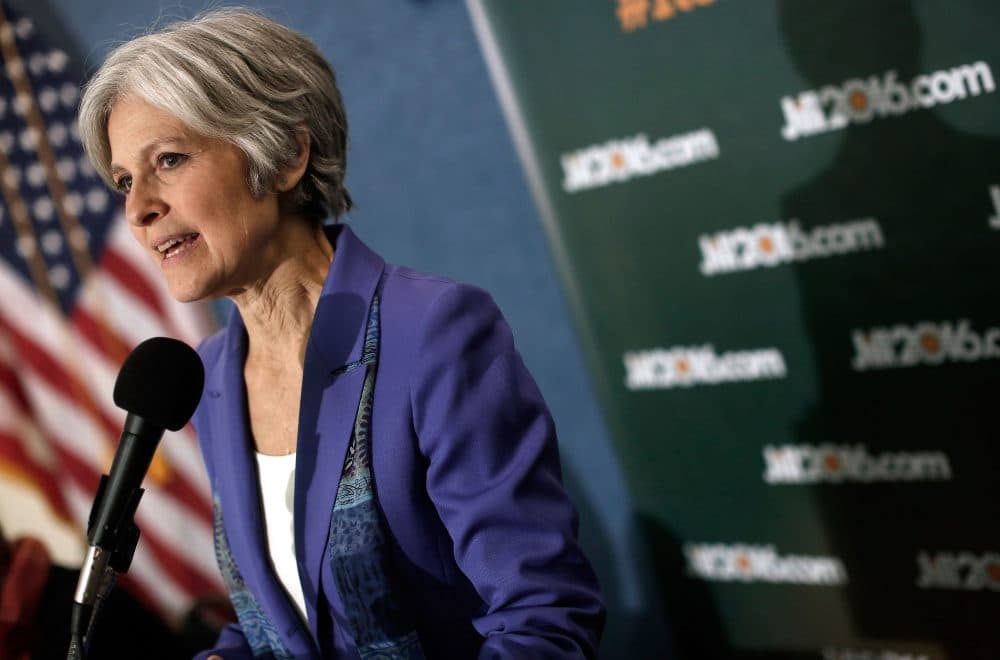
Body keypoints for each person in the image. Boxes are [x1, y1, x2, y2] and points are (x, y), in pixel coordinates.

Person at [78, 7, 605, 659]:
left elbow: (545, 617)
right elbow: (286, 619)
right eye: (126, 180)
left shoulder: (433, 332)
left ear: (285, 156)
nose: (138, 208)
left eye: (171, 160)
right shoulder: (210, 377)